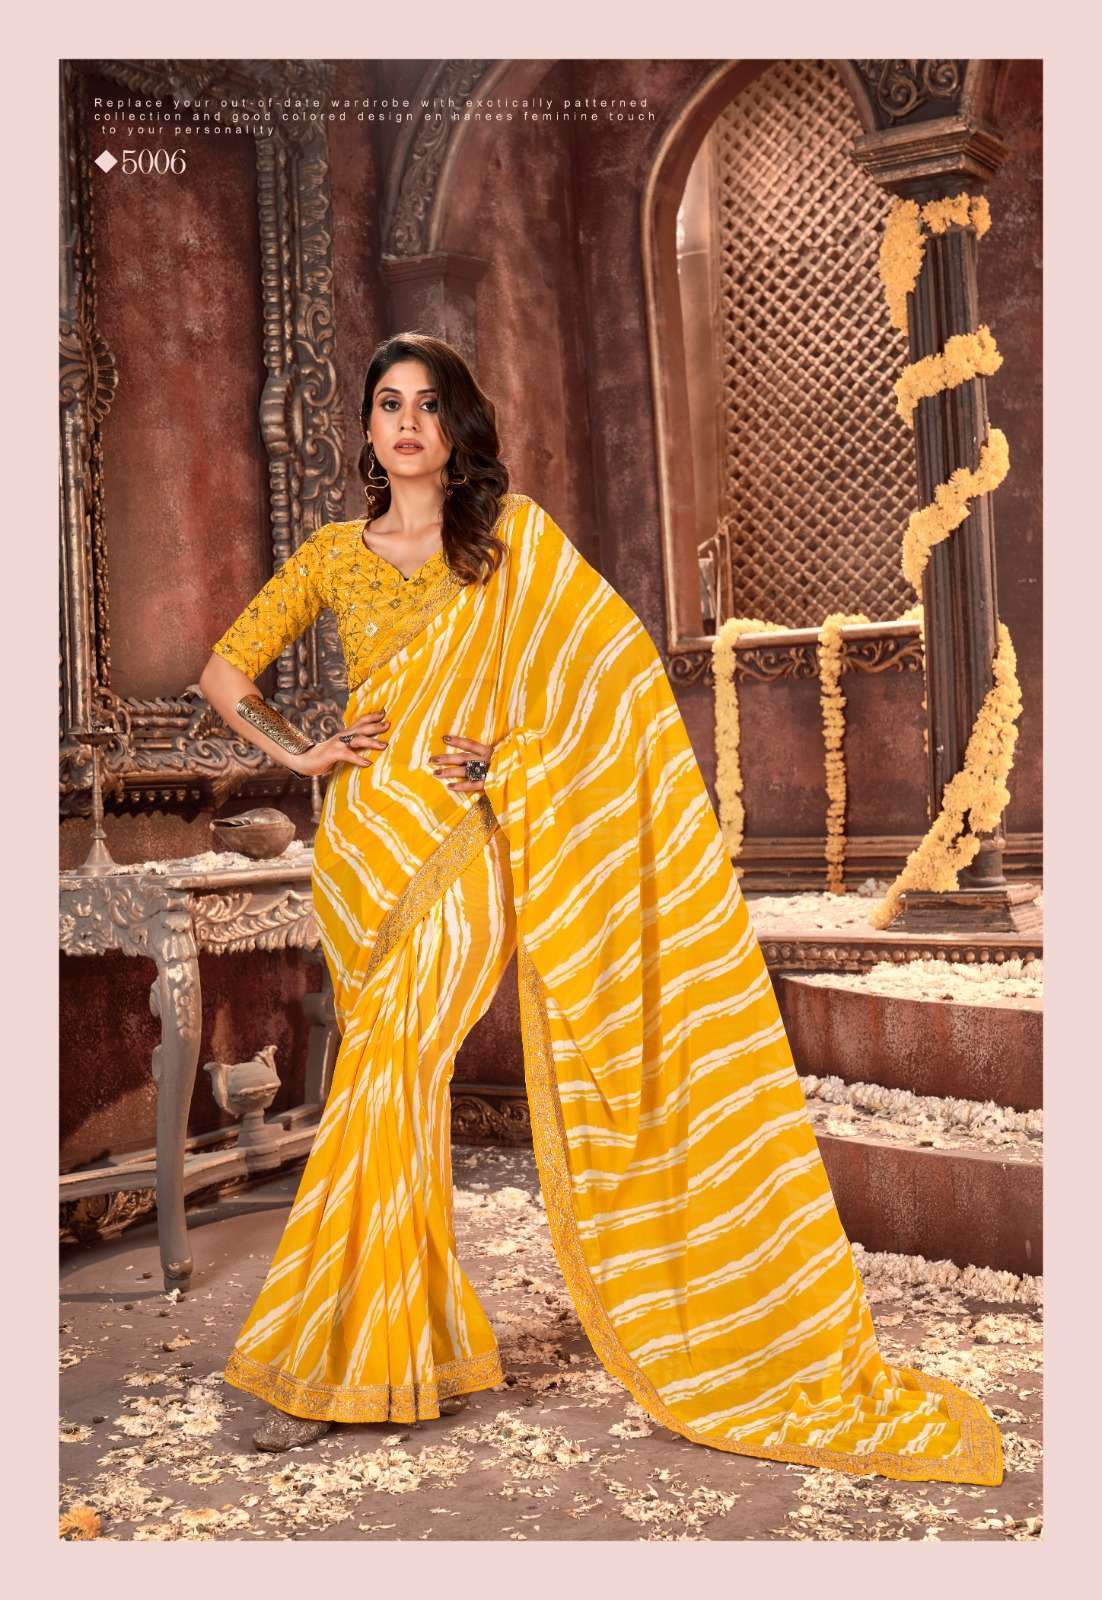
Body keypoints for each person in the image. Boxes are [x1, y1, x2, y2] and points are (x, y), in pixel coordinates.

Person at [198, 332, 1002, 1484]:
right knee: (391, 1083)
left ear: (457, 427)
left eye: (428, 404)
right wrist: (306, 748)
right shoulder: (332, 554)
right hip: (363, 848)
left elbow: (614, 684)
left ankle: (318, 1352)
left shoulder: (511, 545)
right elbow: (226, 672)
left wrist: (514, 761)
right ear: (367, 428)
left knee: (391, 1068)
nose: (408, 423)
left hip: (467, 844)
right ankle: (403, 1346)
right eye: (388, 404)